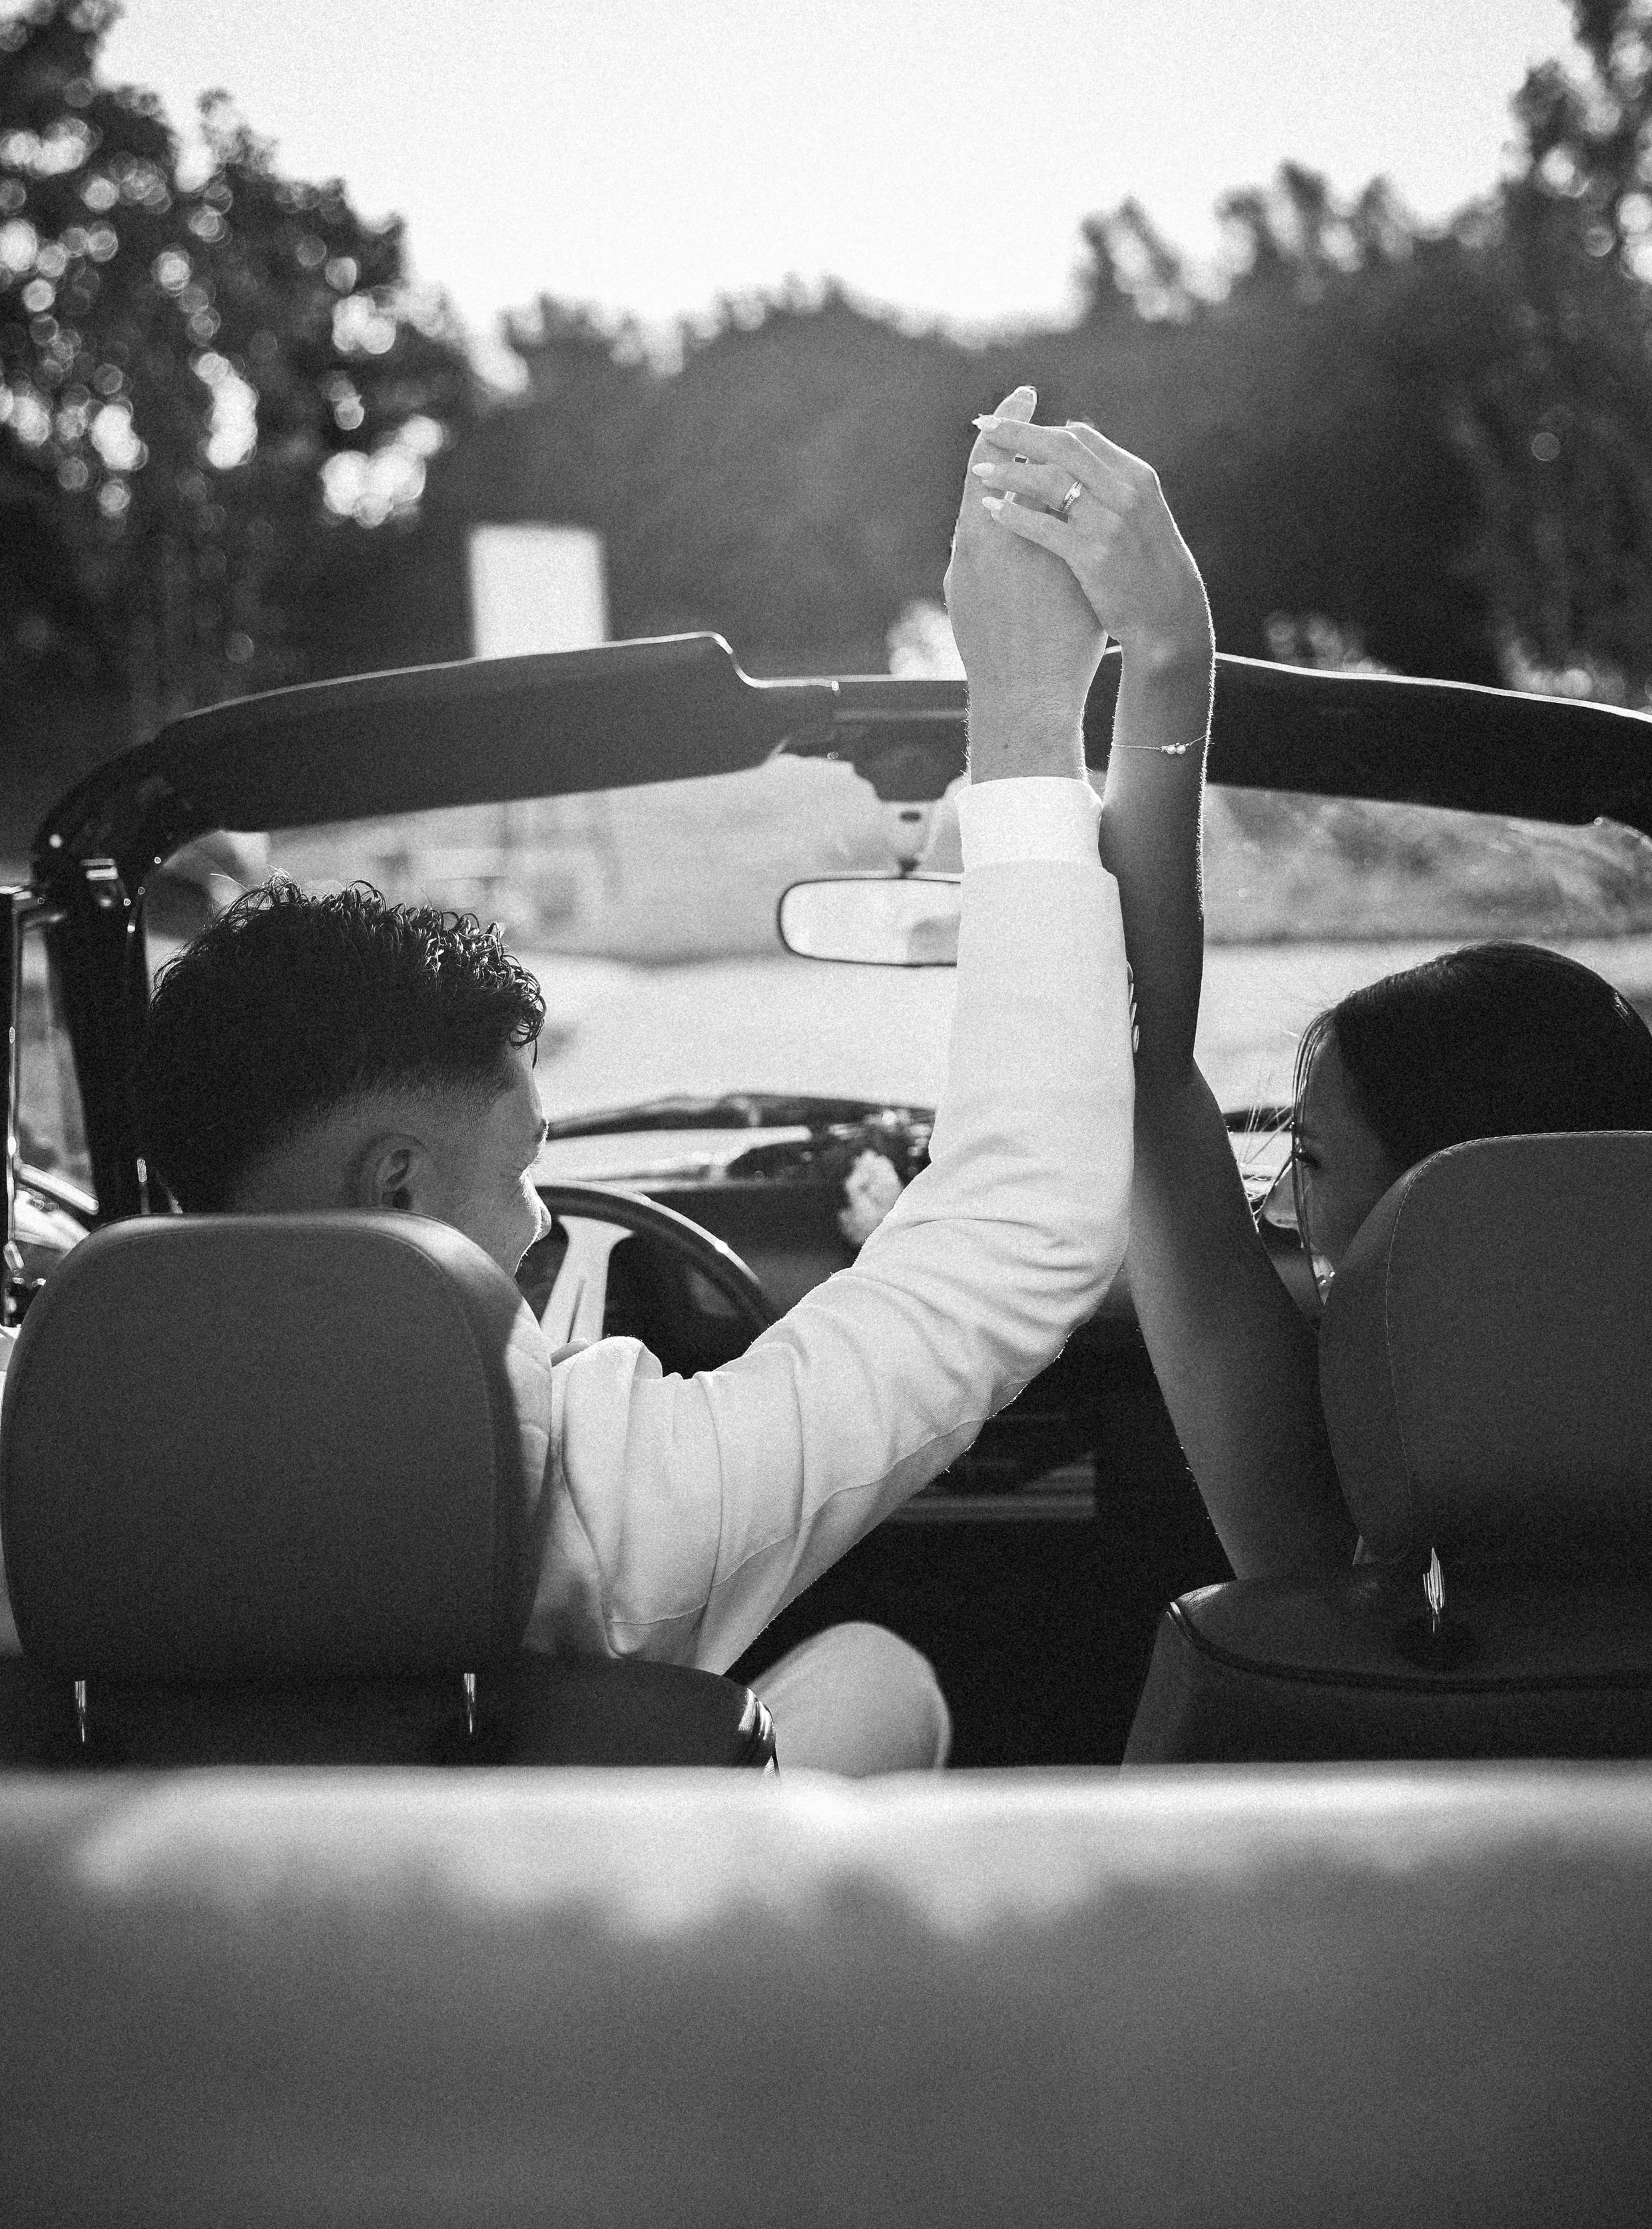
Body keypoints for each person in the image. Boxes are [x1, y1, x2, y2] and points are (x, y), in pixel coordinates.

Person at [0, 385, 1137, 1773]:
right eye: (526, 1159)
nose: (544, 1218)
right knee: (876, 1671)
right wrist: (1026, 715)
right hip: (553, 1949)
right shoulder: (595, 1486)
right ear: (397, 1182)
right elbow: (1016, 1242)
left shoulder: (36, 1442)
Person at [969, 405, 1652, 1579]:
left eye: (1314, 1163)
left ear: (1452, 1199)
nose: (1284, 1209)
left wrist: (1170, 651)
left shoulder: (1330, 1533)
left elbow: (1141, 1048)